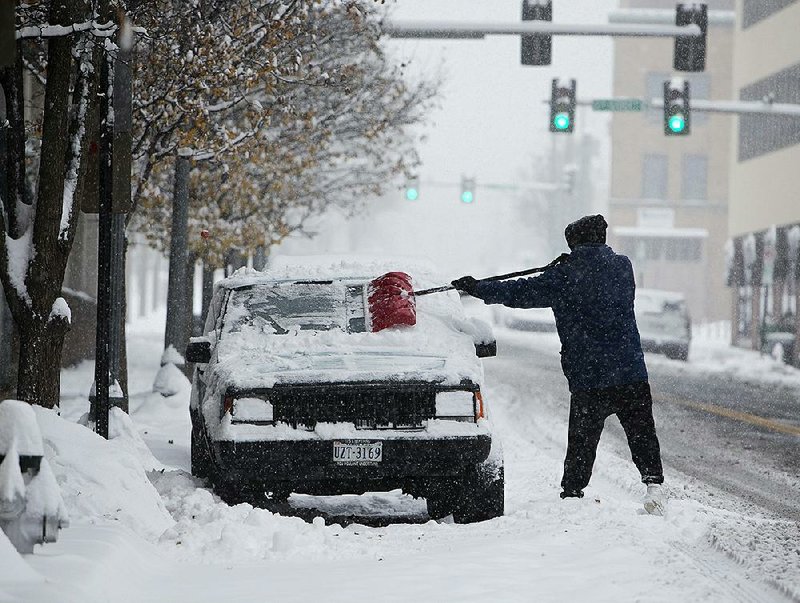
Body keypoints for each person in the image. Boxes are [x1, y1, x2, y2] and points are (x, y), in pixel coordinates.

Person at [451, 214, 665, 515]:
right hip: (630, 370)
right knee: (641, 431)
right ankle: (654, 484)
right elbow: (596, 273)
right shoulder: (623, 267)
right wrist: (572, 263)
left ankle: (573, 494)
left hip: (590, 376)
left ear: (574, 243)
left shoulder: (563, 277)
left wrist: (479, 288)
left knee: (582, 439)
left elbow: (519, 292)